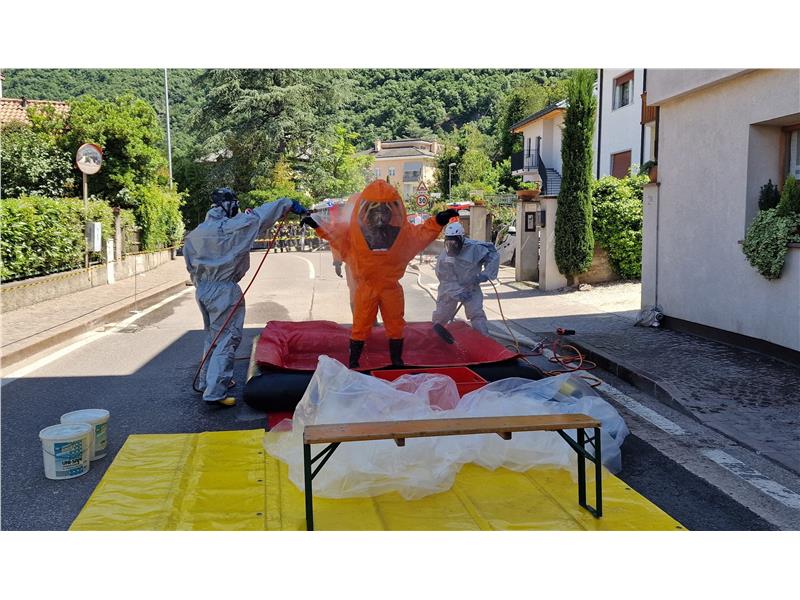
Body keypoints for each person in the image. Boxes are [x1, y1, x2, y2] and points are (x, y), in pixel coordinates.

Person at [303, 180, 457, 368]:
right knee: (360, 325)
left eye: (384, 211)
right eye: (376, 211)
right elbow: (334, 234)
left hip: (388, 288)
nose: (380, 216)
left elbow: (421, 234)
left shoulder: (401, 233)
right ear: (366, 212)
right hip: (367, 287)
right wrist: (316, 225)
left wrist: (438, 221)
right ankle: (354, 361)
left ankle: (395, 361)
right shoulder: (354, 233)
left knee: (395, 325)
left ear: (392, 212)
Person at [183, 188, 307, 407]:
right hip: (224, 289)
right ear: (229, 205)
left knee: (212, 336)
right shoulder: (232, 227)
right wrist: (286, 203)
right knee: (227, 337)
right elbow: (259, 216)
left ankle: (205, 381)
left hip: (202, 288)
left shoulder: (195, 234)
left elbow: (190, 266)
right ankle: (215, 391)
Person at [431, 221, 499, 339]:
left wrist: (485, 274)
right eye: (449, 243)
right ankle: (434, 338)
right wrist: (458, 292)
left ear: (461, 239)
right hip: (450, 288)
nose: (452, 246)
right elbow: (445, 279)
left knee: (476, 314)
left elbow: (493, 255)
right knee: (442, 315)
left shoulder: (475, 248)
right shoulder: (444, 257)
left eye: (454, 243)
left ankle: (484, 341)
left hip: (471, 287)